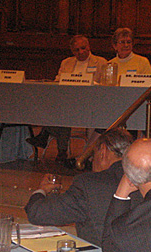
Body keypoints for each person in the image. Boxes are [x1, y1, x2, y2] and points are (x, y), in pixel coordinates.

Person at [25, 128, 141, 246]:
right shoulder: (146, 179)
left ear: (103, 151)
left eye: (93, 154)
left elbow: (37, 214)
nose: (91, 160)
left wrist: (41, 190)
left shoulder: (89, 184)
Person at [26, 35, 107, 165]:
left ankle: (48, 138)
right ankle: (60, 150)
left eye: (83, 48)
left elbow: (104, 85)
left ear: (89, 47)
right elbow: (58, 82)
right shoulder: (66, 63)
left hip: (90, 104)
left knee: (61, 114)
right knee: (56, 110)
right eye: (76, 50)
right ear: (72, 51)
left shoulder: (101, 62)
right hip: (67, 102)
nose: (80, 52)